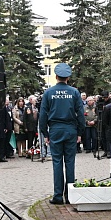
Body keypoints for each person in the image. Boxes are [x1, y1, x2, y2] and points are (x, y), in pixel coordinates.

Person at [39, 63, 85, 205]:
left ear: (56, 76)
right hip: (71, 129)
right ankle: (70, 195)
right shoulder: (74, 92)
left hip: (55, 130)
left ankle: (58, 196)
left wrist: (45, 133)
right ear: (68, 77)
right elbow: (80, 114)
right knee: (70, 162)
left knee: (57, 162)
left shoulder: (48, 93)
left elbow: (42, 115)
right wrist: (80, 132)